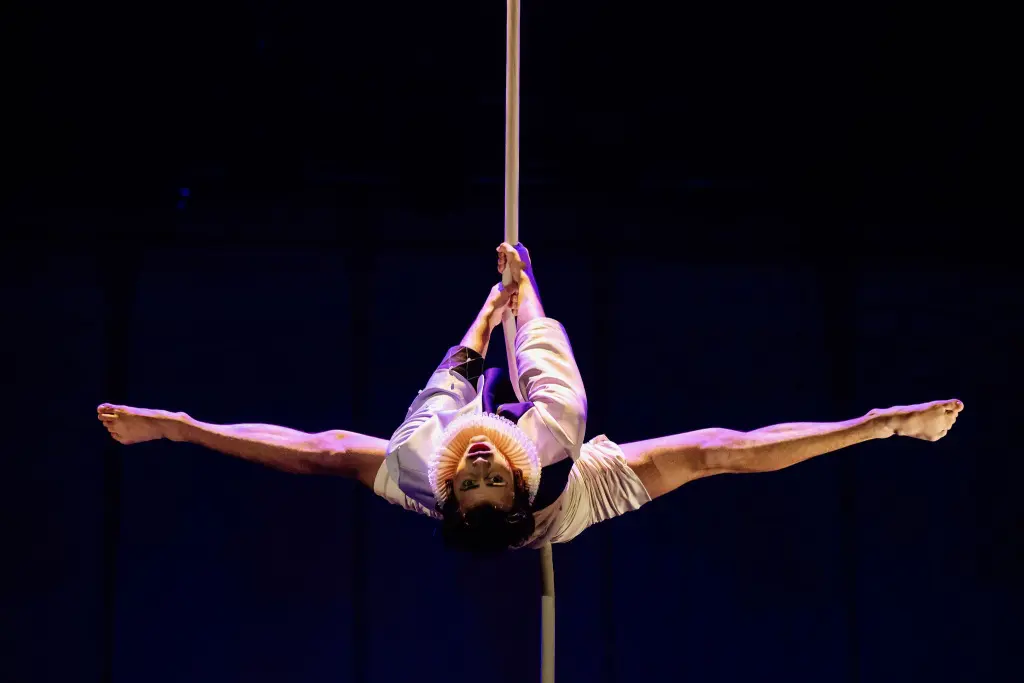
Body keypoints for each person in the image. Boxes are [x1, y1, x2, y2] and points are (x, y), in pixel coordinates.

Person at [97, 243, 964, 553]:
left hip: (450, 456)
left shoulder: (418, 468)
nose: (476, 467)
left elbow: (459, 372)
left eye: (466, 480)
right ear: (514, 485)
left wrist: (491, 298)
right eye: (488, 481)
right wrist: (528, 290)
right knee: (714, 452)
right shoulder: (553, 456)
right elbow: (537, 361)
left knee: (328, 451)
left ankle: (178, 428)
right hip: (576, 500)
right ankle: (880, 426)